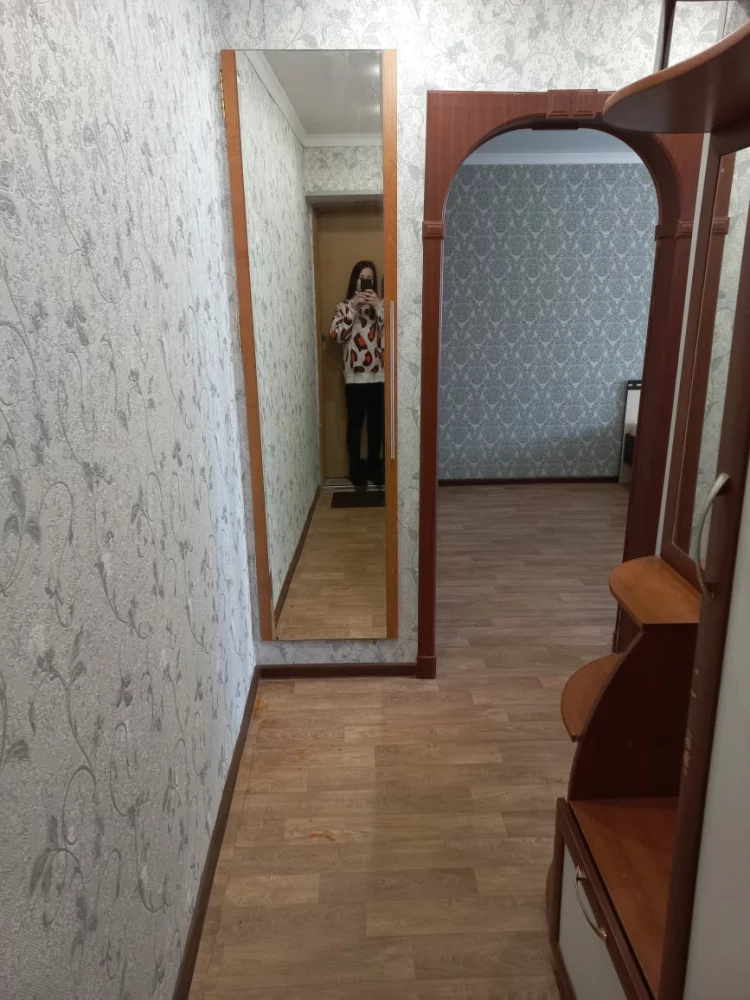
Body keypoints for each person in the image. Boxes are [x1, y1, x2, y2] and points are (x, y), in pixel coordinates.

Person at [329, 260, 385, 488]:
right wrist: (353, 307)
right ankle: (355, 470)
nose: (366, 282)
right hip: (354, 378)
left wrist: (379, 306)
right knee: (354, 426)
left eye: (370, 279)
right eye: (362, 278)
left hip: (379, 376)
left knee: (376, 427)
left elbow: (392, 334)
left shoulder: (380, 306)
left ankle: (374, 468)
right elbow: (337, 335)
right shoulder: (343, 307)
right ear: (355, 281)